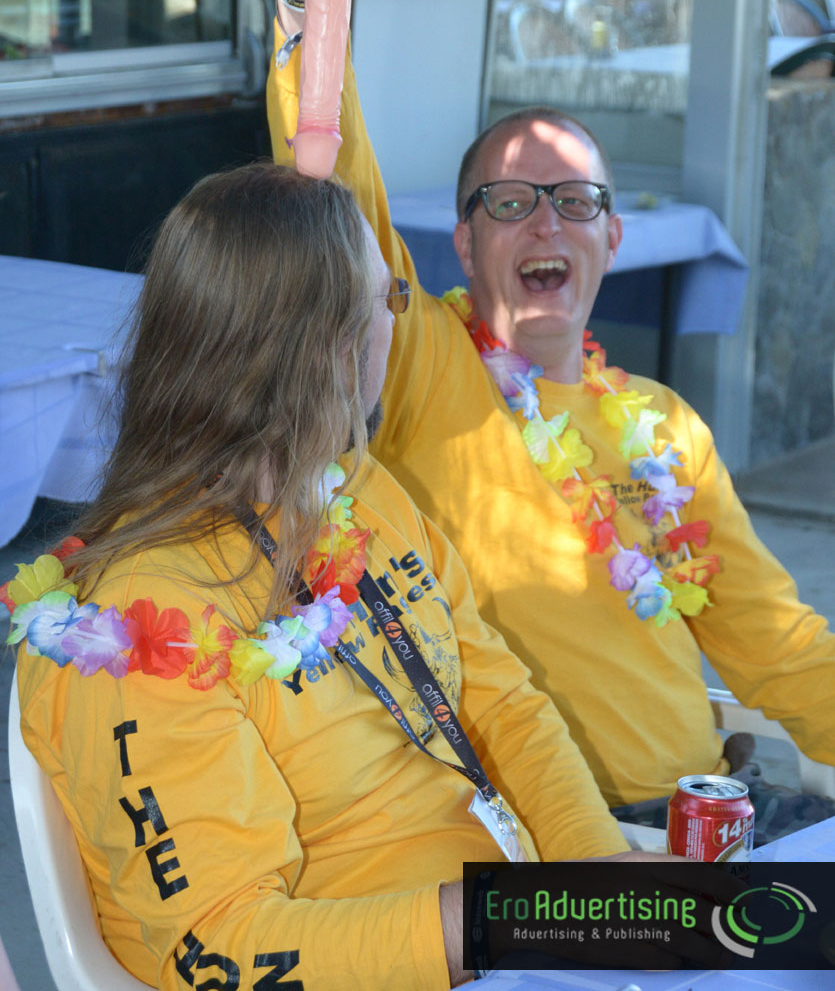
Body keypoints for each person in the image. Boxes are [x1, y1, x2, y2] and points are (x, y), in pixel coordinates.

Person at [257, 0, 835, 837]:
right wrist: (308, 0)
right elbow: (334, 203)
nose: (546, 225)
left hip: (715, 815)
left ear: (614, 238)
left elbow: (773, 642)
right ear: (465, 239)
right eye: (510, 203)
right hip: (559, 839)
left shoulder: (665, 426)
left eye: (576, 202)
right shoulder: (417, 358)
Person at [11, 164, 648, 991]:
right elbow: (227, 949)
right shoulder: (126, 630)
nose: (398, 324)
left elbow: (501, 702)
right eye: (389, 301)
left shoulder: (357, 490)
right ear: (329, 345)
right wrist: (525, 919)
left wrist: (601, 876)